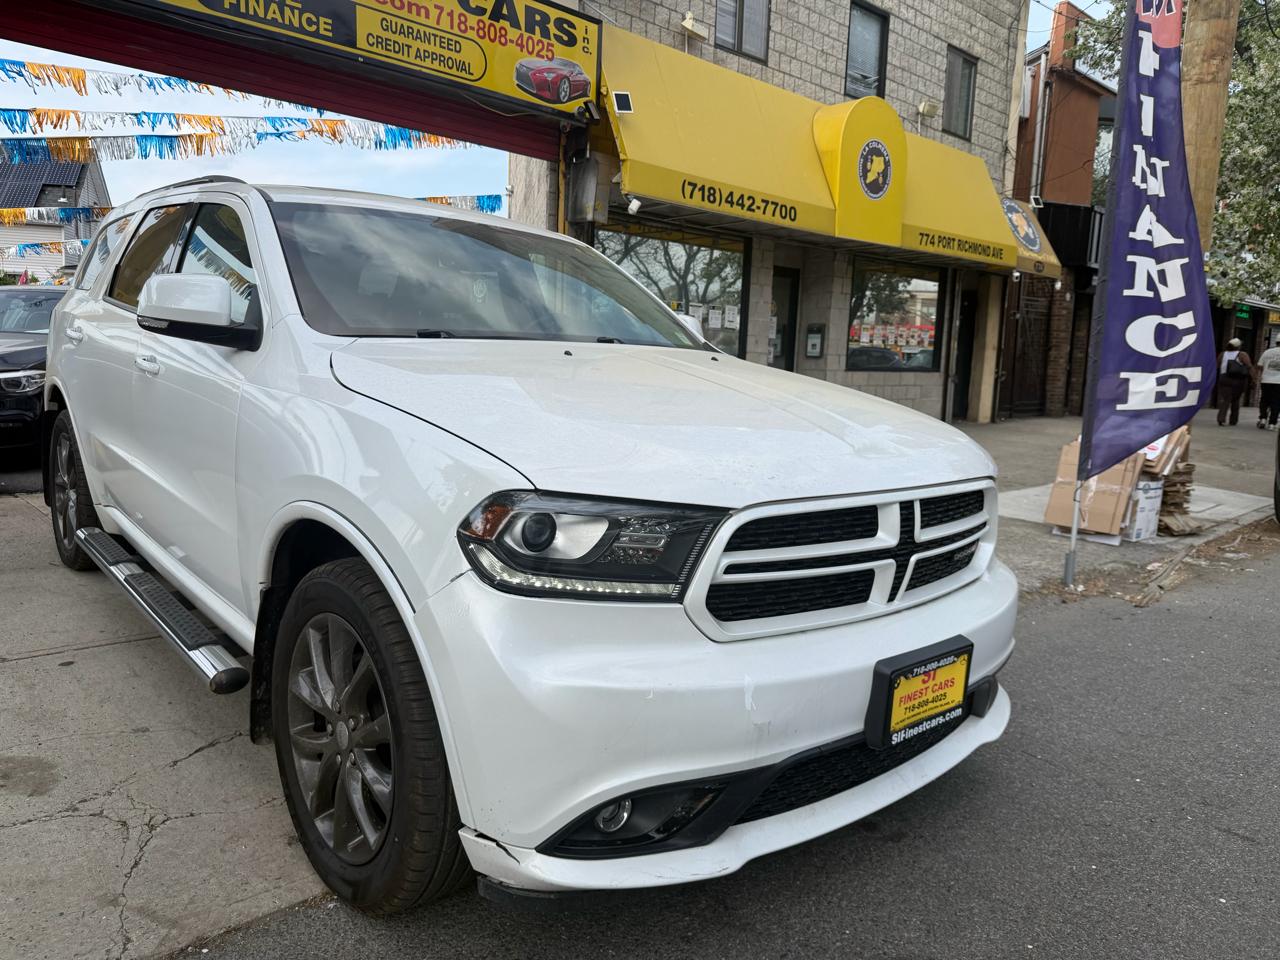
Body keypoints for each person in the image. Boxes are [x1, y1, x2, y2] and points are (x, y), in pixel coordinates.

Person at [1217, 337, 1252, 426]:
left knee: (1225, 399)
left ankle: (1221, 418)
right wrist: (1254, 379)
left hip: (1224, 378)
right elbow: (1249, 366)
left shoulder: (1222, 354)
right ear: (1238, 346)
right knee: (1236, 400)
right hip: (1237, 380)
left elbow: (1217, 365)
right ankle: (1233, 420)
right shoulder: (1242, 354)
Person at [1255, 341, 1280, 430]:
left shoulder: (1267, 352)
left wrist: (1265, 371)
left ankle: (1263, 419)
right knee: (1276, 402)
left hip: (1266, 380)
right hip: (1278, 382)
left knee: (1264, 400)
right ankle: (1272, 424)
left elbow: (1259, 365)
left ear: (1276, 342)